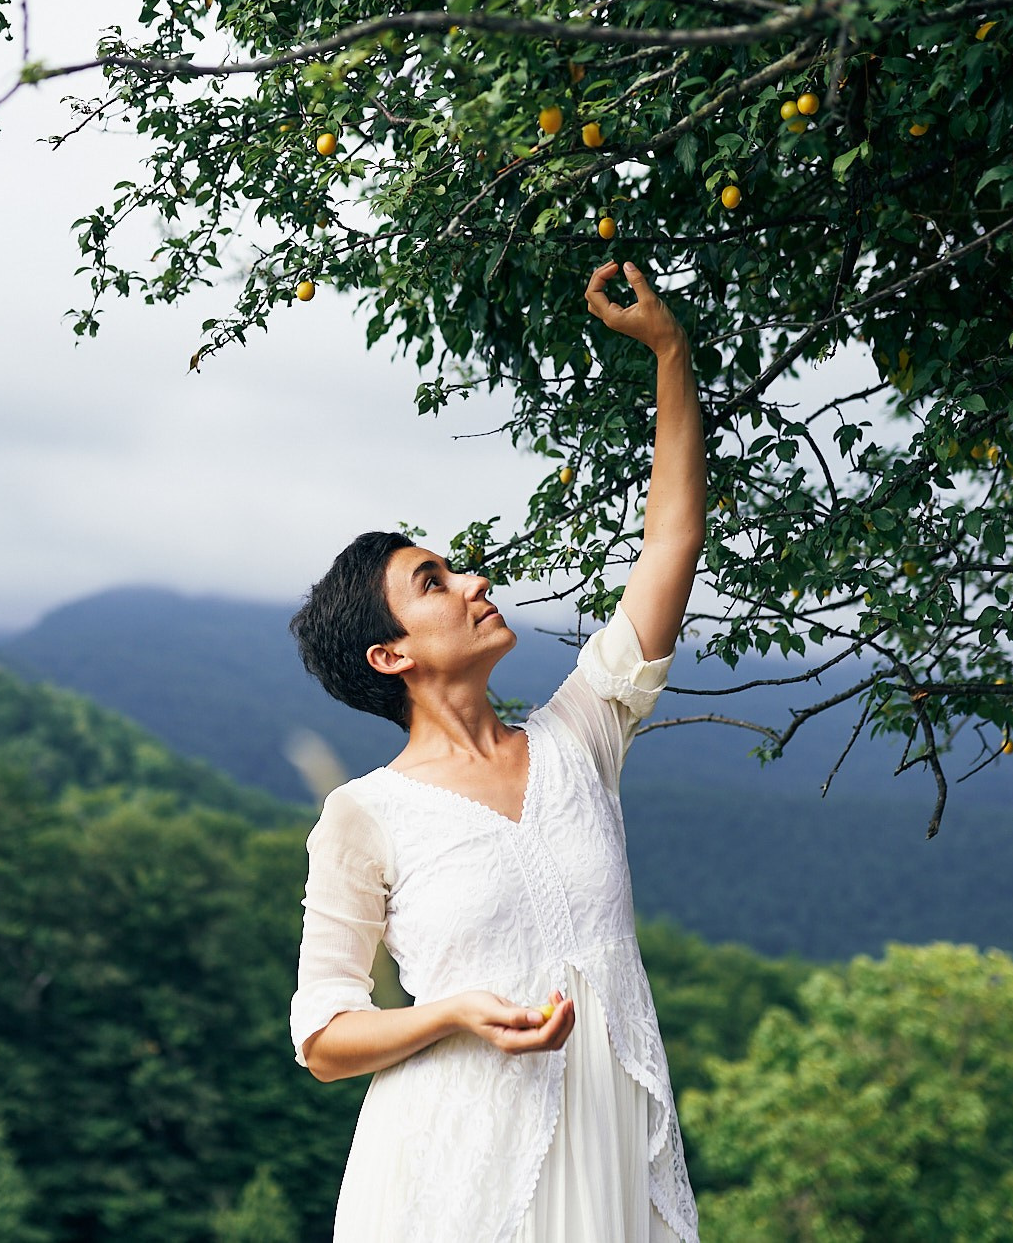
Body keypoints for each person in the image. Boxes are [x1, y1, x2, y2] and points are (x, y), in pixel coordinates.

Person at [286, 259, 706, 1243]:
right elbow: (323, 1037)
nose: (474, 581)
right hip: (452, 1176)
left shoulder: (579, 740)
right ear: (388, 654)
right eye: (434, 582)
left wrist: (668, 352)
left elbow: (670, 543)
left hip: (601, 1157)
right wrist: (452, 1015)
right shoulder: (364, 816)